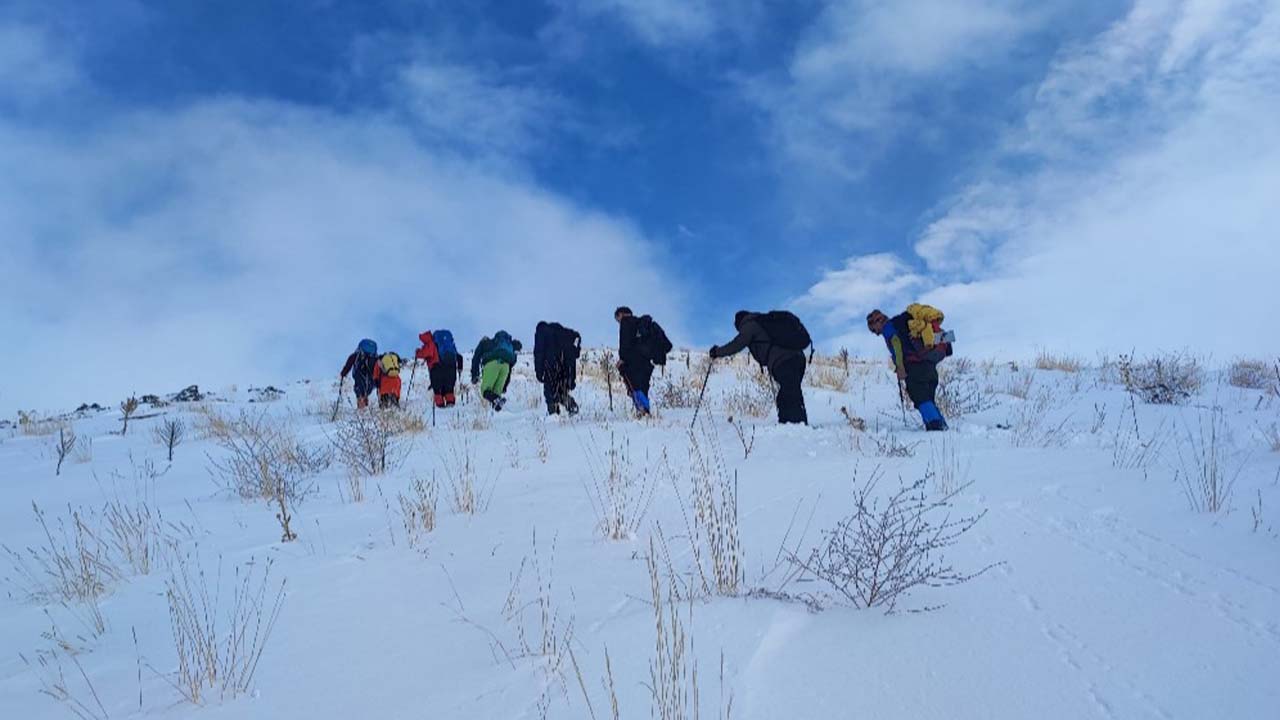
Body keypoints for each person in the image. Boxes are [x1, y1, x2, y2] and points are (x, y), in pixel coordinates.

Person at [710, 311, 809, 424]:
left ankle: (795, 426)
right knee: (789, 392)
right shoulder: (762, 321)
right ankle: (793, 425)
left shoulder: (749, 325)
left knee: (789, 393)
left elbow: (736, 345)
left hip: (783, 361)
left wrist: (717, 352)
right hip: (798, 358)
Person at [867, 308, 949, 431]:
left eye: (873, 329)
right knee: (927, 397)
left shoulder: (889, 327)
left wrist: (900, 367)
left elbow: (896, 344)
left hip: (914, 366)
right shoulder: (905, 324)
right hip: (929, 363)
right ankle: (939, 425)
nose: (876, 333)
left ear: (878, 321)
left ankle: (936, 426)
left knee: (919, 395)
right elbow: (943, 338)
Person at [534, 321, 581, 415]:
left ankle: (554, 417)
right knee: (561, 391)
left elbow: (539, 352)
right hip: (566, 367)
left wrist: (539, 373)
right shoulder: (564, 333)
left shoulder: (541, 331)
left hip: (551, 365)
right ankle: (571, 406)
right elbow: (576, 345)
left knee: (549, 392)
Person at [471, 331, 522, 411]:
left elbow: (476, 358)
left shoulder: (484, 343)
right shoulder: (507, 348)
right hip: (505, 367)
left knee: (485, 390)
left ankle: (495, 405)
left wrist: (475, 375)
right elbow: (510, 367)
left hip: (492, 364)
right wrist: (505, 386)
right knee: (496, 393)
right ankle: (495, 413)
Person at [419, 329, 464, 408]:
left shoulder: (432, 343)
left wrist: (417, 352)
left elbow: (424, 353)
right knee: (449, 388)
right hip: (451, 367)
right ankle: (450, 403)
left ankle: (440, 406)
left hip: (437, 368)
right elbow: (459, 356)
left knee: (438, 389)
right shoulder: (450, 346)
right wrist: (459, 367)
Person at [339, 338, 379, 409]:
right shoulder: (374, 357)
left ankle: (361, 411)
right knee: (366, 393)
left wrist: (343, 374)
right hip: (371, 378)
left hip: (359, 375)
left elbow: (349, 364)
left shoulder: (356, 355)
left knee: (360, 393)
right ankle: (365, 410)